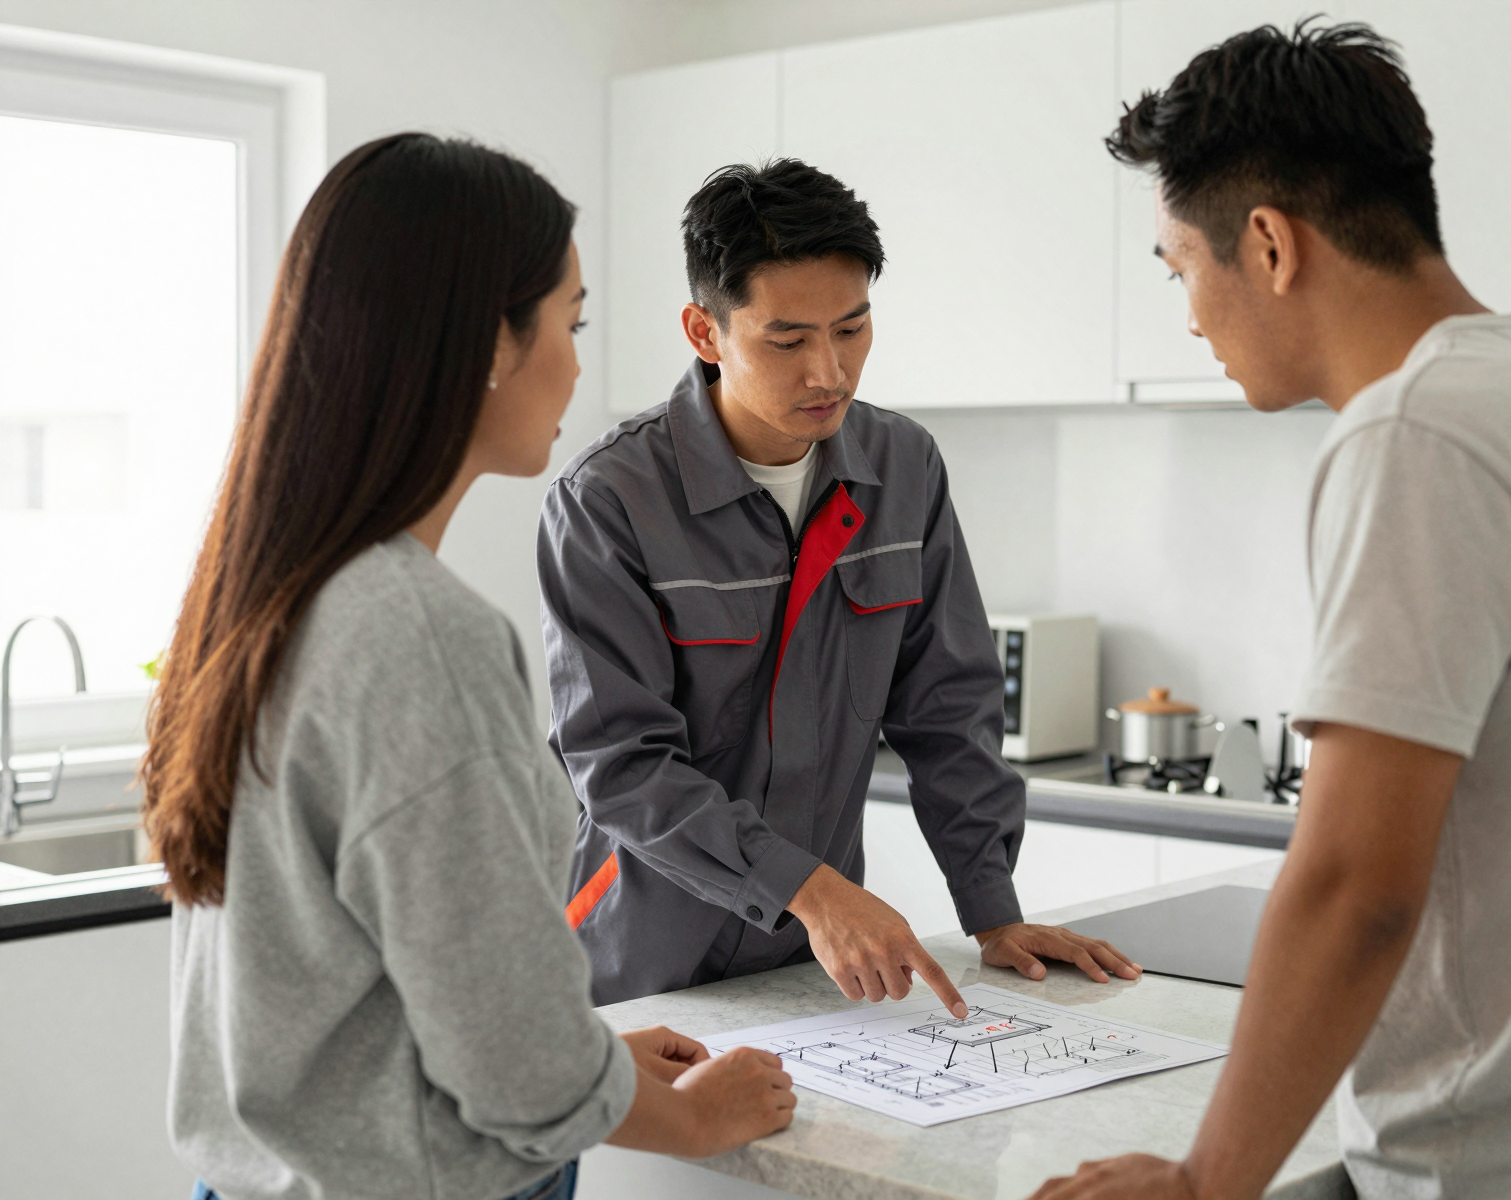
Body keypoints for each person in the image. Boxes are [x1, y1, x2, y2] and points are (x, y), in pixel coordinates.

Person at [140, 133, 794, 1200]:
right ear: (489, 341)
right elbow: (514, 1070)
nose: (578, 362)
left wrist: (592, 1065)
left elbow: (391, 989)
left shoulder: (261, 597)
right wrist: (685, 1119)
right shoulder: (417, 634)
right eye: (570, 322)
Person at [1028, 21, 1511, 1200]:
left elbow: (1355, 884)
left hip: (1477, 1160)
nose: (1187, 314)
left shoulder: (1415, 431)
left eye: (1178, 267)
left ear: (1269, 245)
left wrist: (1204, 1181)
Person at [538, 159, 1138, 1012]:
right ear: (704, 332)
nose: (830, 371)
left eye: (852, 329)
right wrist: (813, 891)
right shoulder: (607, 499)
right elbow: (621, 765)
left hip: (811, 968)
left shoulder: (904, 468)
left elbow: (949, 709)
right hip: (643, 967)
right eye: (787, 340)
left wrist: (992, 910)